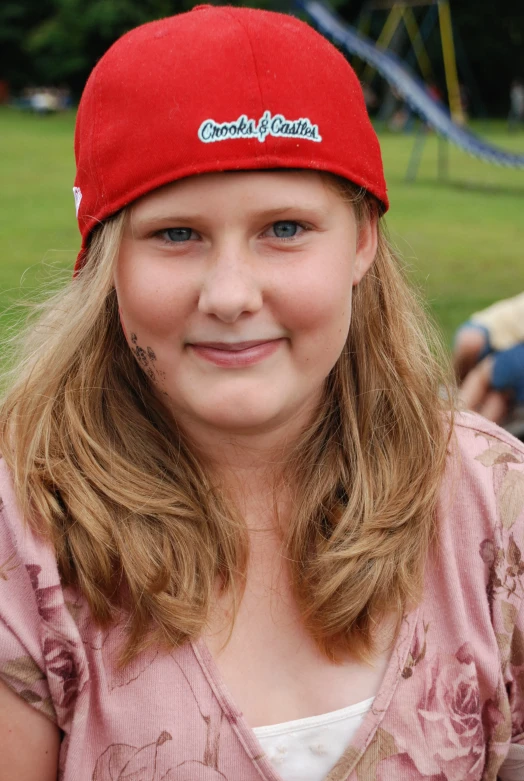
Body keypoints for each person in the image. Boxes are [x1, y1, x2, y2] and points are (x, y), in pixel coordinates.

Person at [1, 7, 524, 781]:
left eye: (284, 228)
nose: (231, 293)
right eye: (176, 234)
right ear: (105, 261)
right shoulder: (27, 536)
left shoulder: (492, 501)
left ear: (362, 240)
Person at [454, 293, 524, 425]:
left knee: (494, 386)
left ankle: (461, 427)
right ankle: (466, 430)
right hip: (502, 337)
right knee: (498, 393)